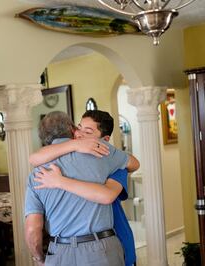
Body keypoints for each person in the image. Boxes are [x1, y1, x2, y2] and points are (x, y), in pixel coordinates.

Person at [25, 111, 136, 266]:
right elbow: (134, 163)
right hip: (100, 249)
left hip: (58, 252)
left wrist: (39, 258)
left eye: (88, 131)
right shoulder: (103, 152)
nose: (81, 134)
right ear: (72, 130)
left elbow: (32, 229)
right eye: (79, 128)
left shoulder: (36, 174)